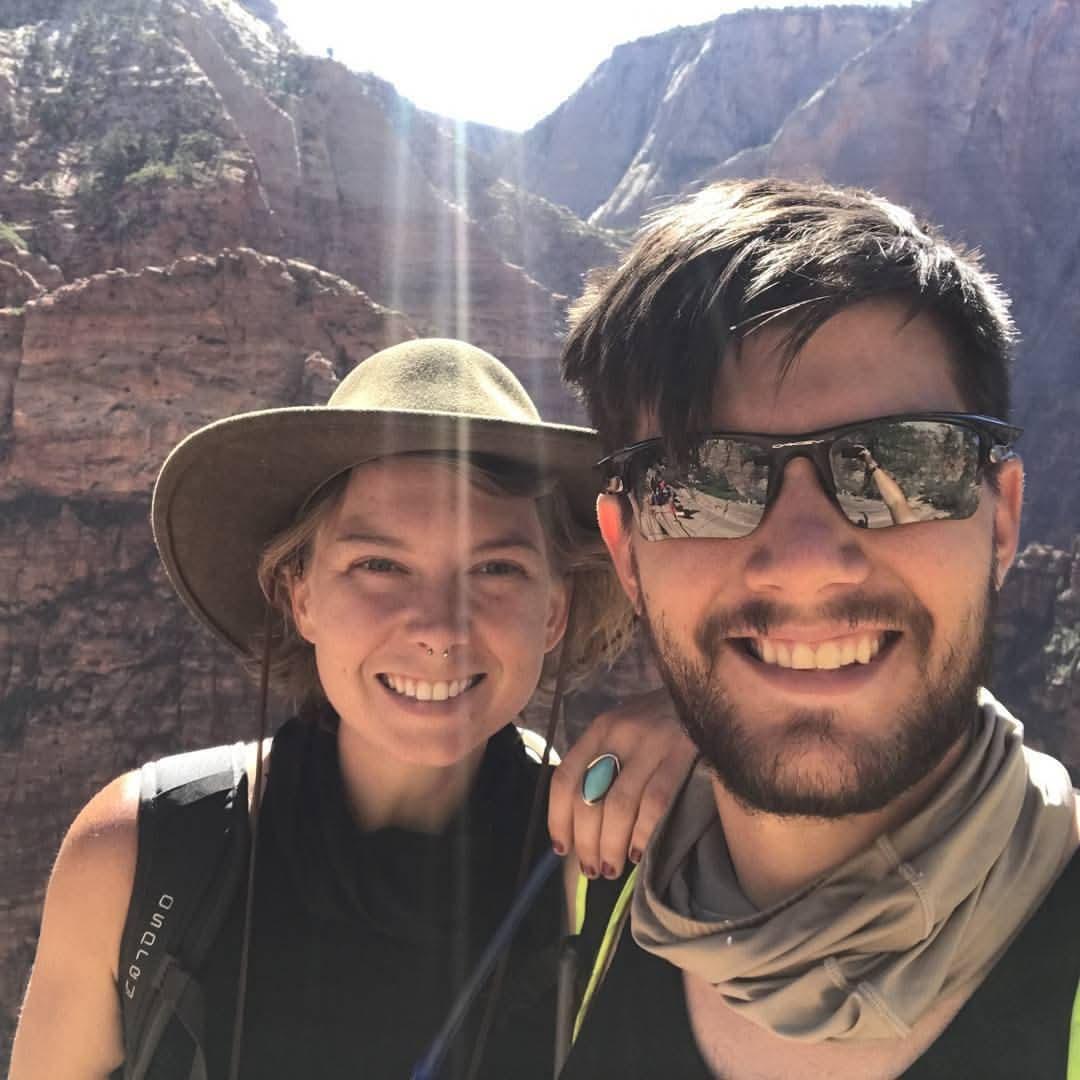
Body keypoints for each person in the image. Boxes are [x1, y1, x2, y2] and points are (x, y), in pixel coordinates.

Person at [10, 339, 694, 1079]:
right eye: (379, 565)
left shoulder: (619, 868)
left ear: (553, 611)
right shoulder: (137, 856)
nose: (438, 627)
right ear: (300, 595)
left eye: (497, 568)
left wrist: (714, 726)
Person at [556, 179, 1080, 1078]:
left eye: (903, 461)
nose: (805, 559)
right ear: (628, 552)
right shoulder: (576, 907)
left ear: (1000, 521)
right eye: (704, 480)